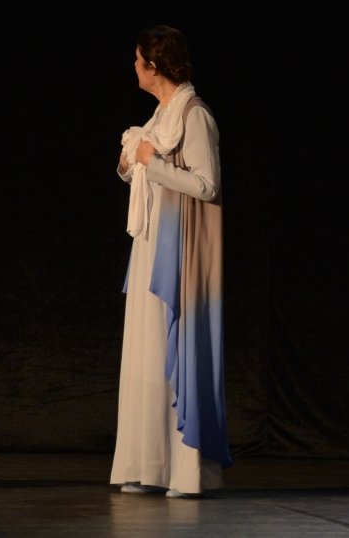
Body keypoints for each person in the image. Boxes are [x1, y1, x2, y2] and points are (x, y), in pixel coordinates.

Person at [111, 25, 232, 498]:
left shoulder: (194, 115)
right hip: (149, 245)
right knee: (147, 353)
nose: (133, 67)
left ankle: (186, 470)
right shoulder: (162, 113)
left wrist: (152, 163)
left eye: (137, 59)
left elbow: (207, 184)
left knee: (172, 350)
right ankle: (149, 465)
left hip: (178, 250)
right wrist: (131, 165)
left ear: (154, 66)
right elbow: (149, 167)